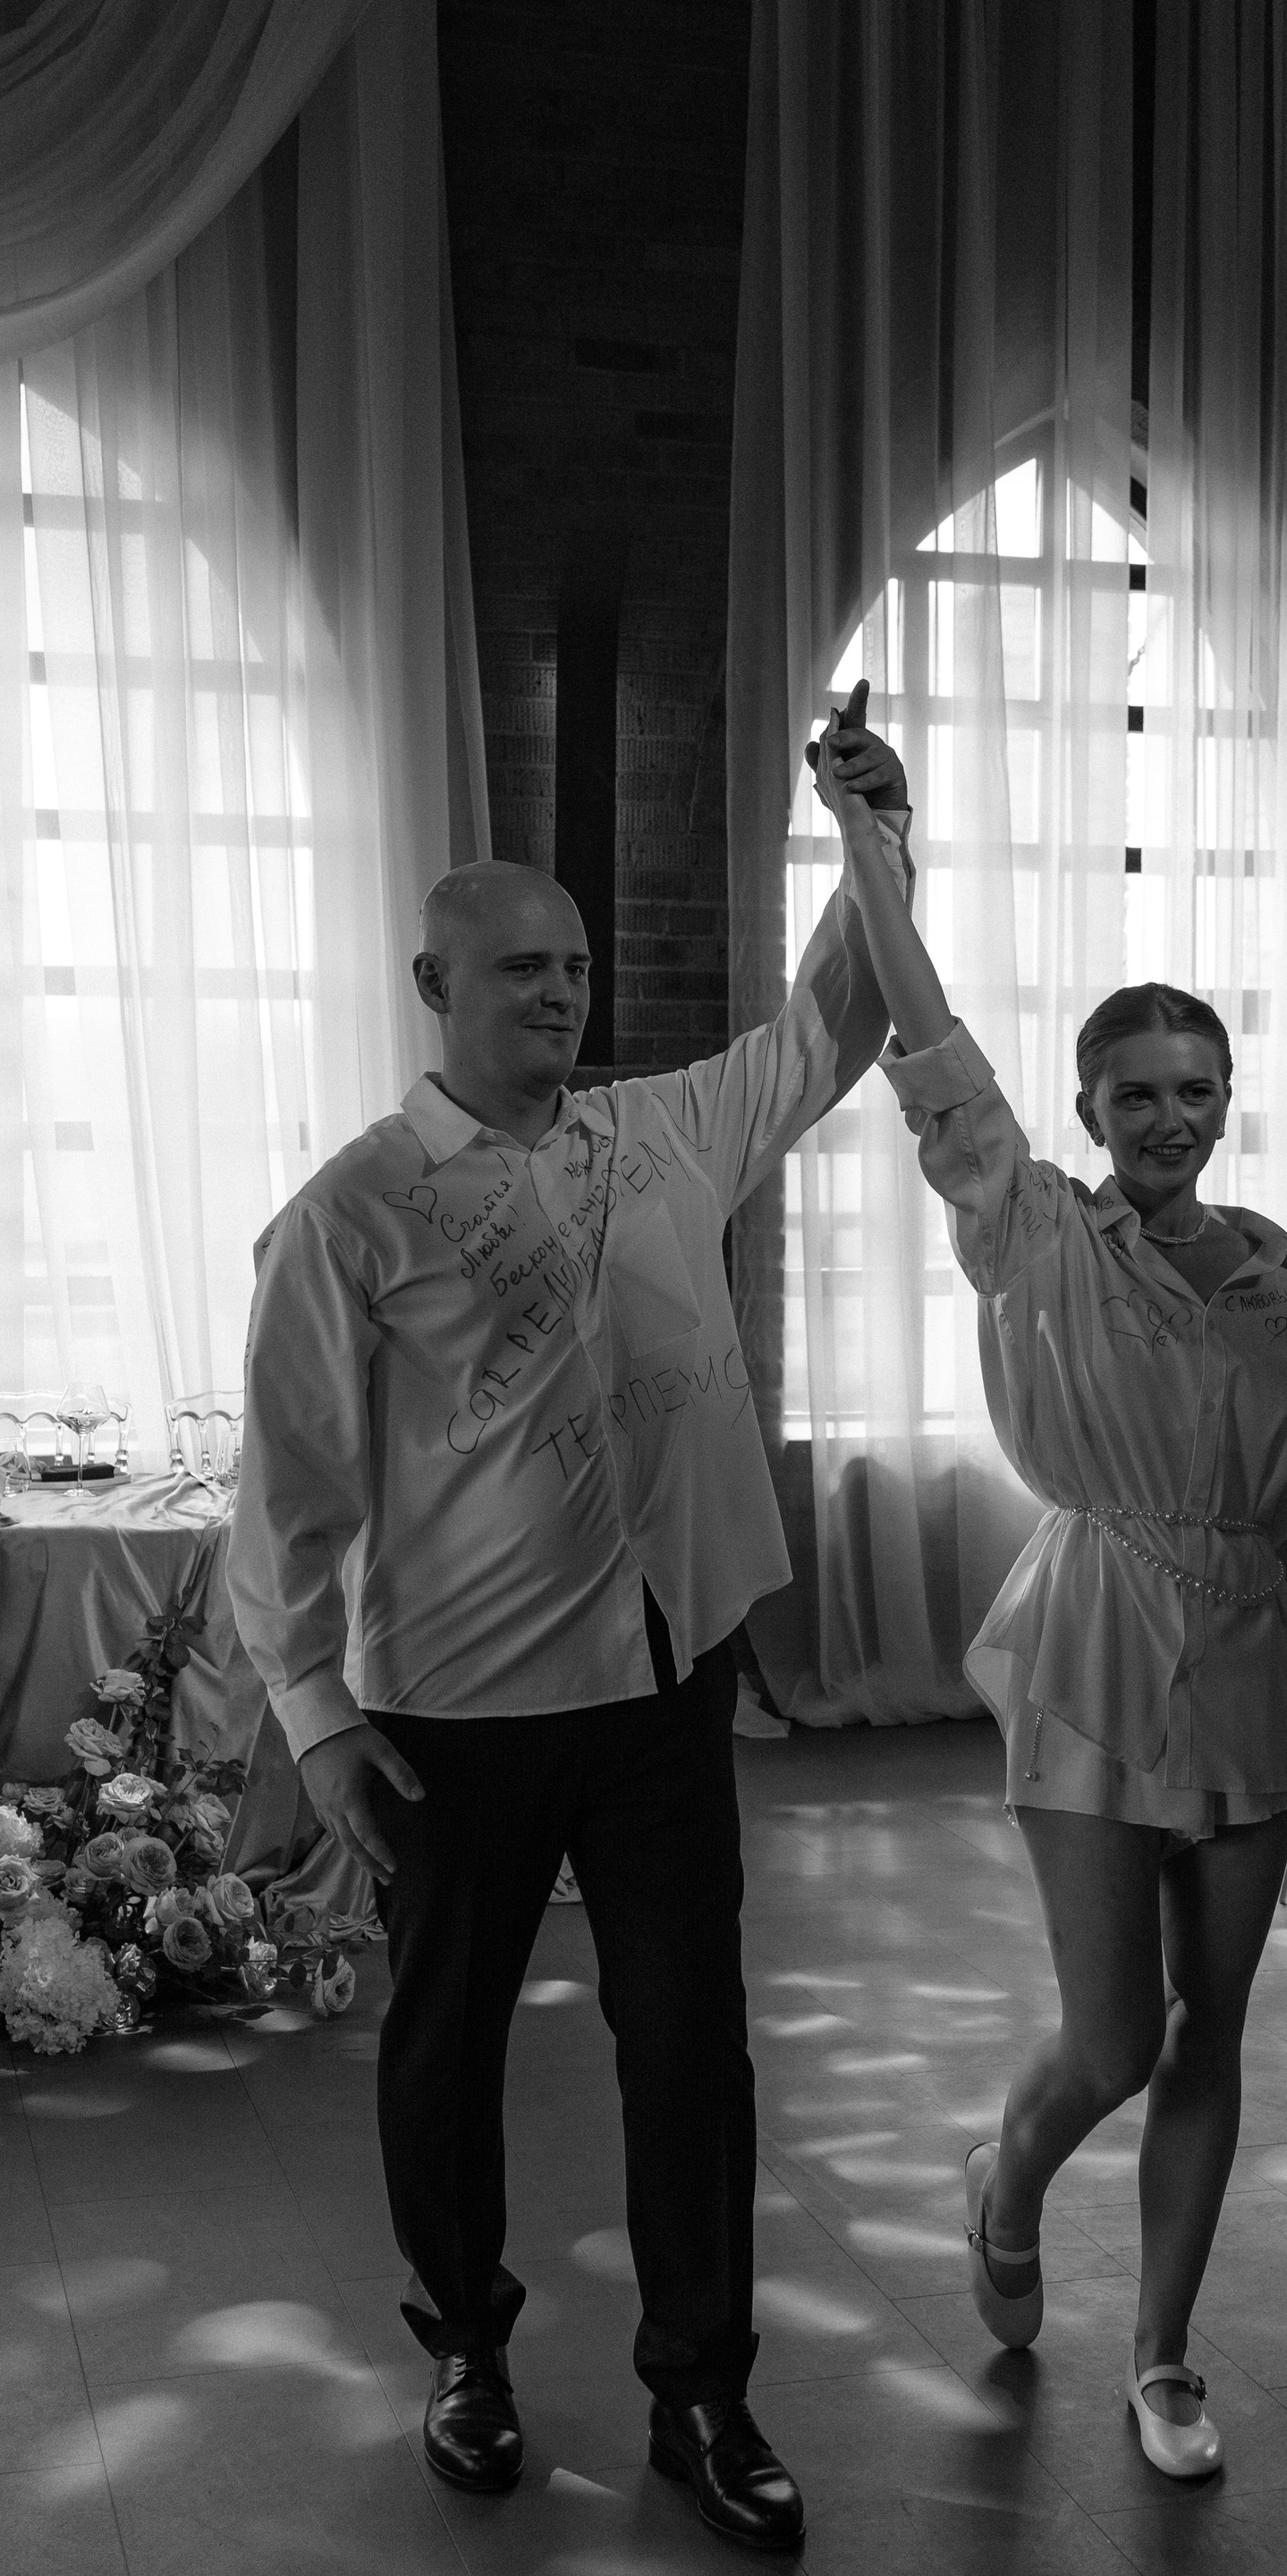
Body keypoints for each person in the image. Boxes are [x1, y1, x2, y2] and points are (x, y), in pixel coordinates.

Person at [226, 685, 912, 2549]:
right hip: (451, 1713)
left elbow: (837, 1020)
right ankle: (466, 2346)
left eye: (577, 966)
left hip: (665, 1686)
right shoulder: (351, 1215)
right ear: (432, 982)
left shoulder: (664, 1130)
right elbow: (287, 1485)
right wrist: (317, 1716)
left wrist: (872, 834)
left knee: (692, 2048)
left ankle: (704, 2389)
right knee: (446, 2049)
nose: (560, 993)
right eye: (521, 967)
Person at [808, 719, 1287, 2480]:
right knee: (1120, 2035)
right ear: (1087, 1113)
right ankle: (1009, 2174)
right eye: (1136, 1093)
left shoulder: (1273, 1279)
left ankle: (1163, 2358)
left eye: (1195, 1090)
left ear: (1226, 1101)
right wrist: (872, 846)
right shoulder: (1034, 1229)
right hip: (1093, 1651)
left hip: (1253, 1671)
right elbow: (930, 1050)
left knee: (1218, 2024)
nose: (1169, 1119)